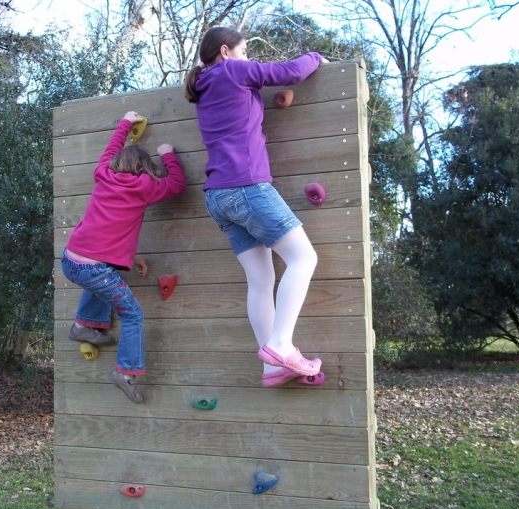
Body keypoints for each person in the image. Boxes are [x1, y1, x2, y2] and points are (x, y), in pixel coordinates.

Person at [184, 27, 328, 388]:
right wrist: (316, 58)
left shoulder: (203, 86)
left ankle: (271, 367)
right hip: (246, 186)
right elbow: (289, 73)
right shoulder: (232, 70)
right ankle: (281, 346)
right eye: (244, 50)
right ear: (226, 51)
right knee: (303, 258)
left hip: (217, 196)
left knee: (261, 280)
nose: (248, 57)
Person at [61, 111, 186, 403]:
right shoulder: (145, 187)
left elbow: (110, 149)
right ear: (145, 169)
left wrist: (125, 122)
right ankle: (125, 372)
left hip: (70, 259)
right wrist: (167, 155)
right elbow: (178, 185)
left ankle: (83, 326)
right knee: (133, 314)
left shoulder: (103, 174)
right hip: (94, 268)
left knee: (101, 276)